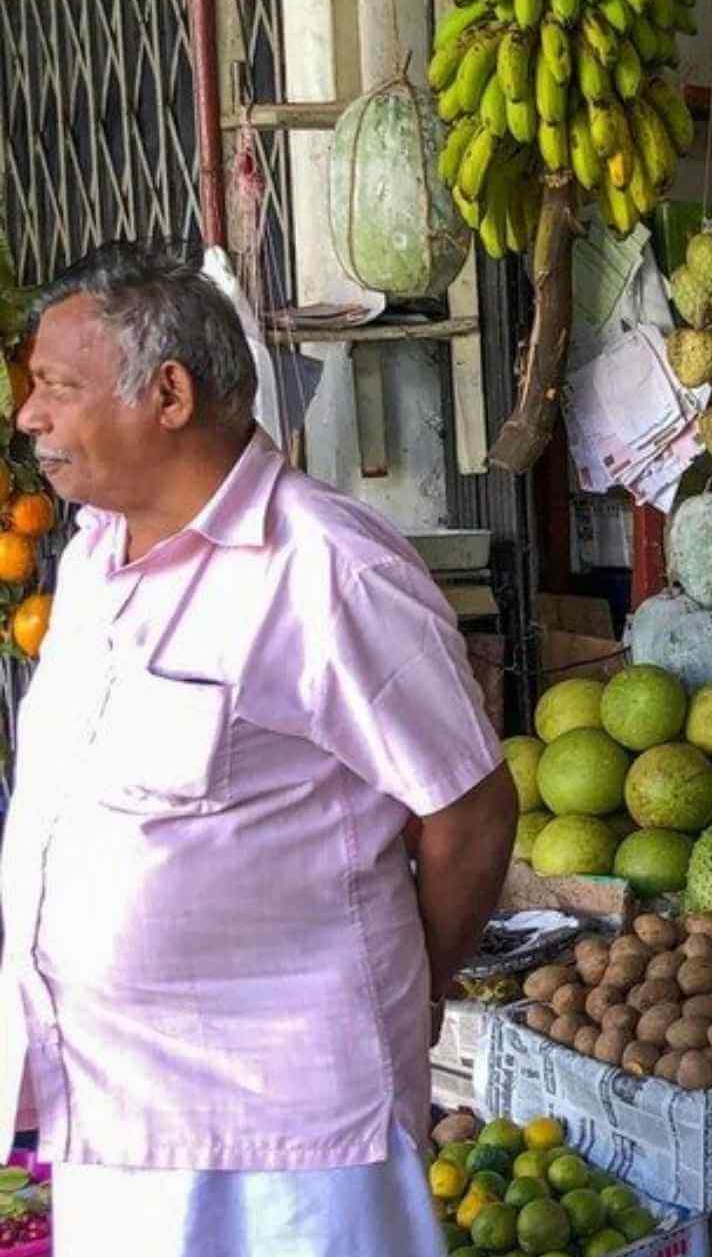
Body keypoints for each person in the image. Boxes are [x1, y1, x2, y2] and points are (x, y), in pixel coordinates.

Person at [0, 241, 519, 1255]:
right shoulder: (100, 555)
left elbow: (470, 807)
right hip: (115, 1116)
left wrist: (415, 983)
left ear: (169, 393)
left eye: (56, 388)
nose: (29, 416)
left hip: (287, 1144)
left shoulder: (328, 570)